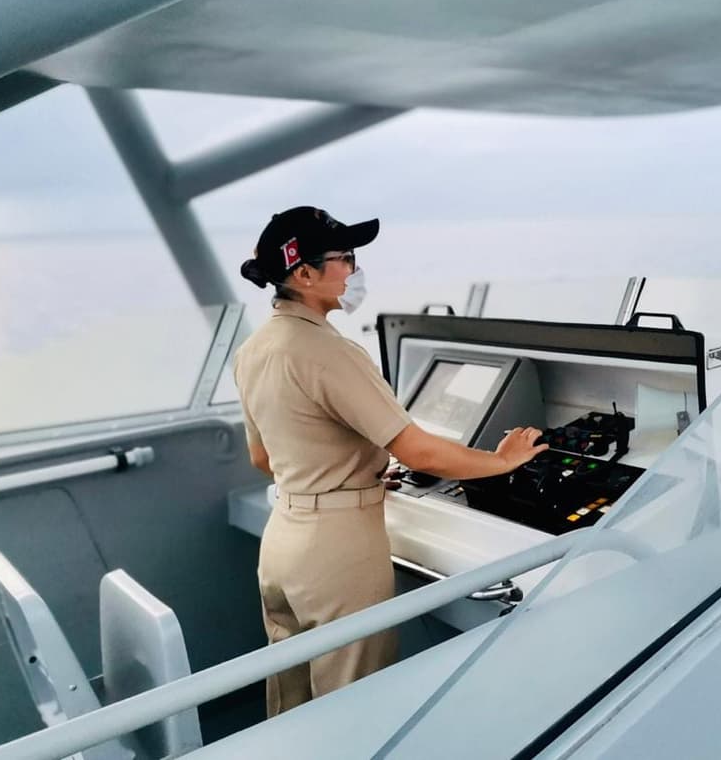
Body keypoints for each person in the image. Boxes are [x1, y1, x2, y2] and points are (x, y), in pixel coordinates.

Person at [233, 206, 547, 716]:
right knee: (353, 706)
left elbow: (263, 457)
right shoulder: (329, 352)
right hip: (336, 553)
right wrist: (501, 460)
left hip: (283, 543)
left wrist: (353, 474)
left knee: (290, 706)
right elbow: (418, 450)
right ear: (305, 274)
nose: (355, 270)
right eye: (345, 258)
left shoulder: (254, 349)